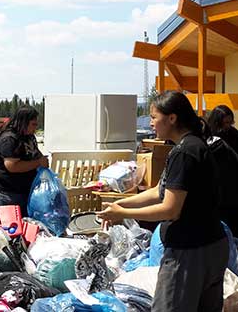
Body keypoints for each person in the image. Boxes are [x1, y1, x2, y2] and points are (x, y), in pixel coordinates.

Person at [97, 90, 228, 312]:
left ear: (172, 118)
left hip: (190, 252)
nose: (150, 124)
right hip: (212, 244)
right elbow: (160, 190)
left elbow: (170, 209)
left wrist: (122, 214)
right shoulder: (193, 146)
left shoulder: (185, 152)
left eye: (154, 117)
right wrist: (122, 204)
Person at [0, 106, 48, 216]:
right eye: (33, 124)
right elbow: (12, 166)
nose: (35, 128)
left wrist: (43, 161)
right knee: (12, 226)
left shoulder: (29, 137)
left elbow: (35, 153)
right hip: (8, 191)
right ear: (23, 122)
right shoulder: (9, 139)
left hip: (26, 189)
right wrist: (38, 163)